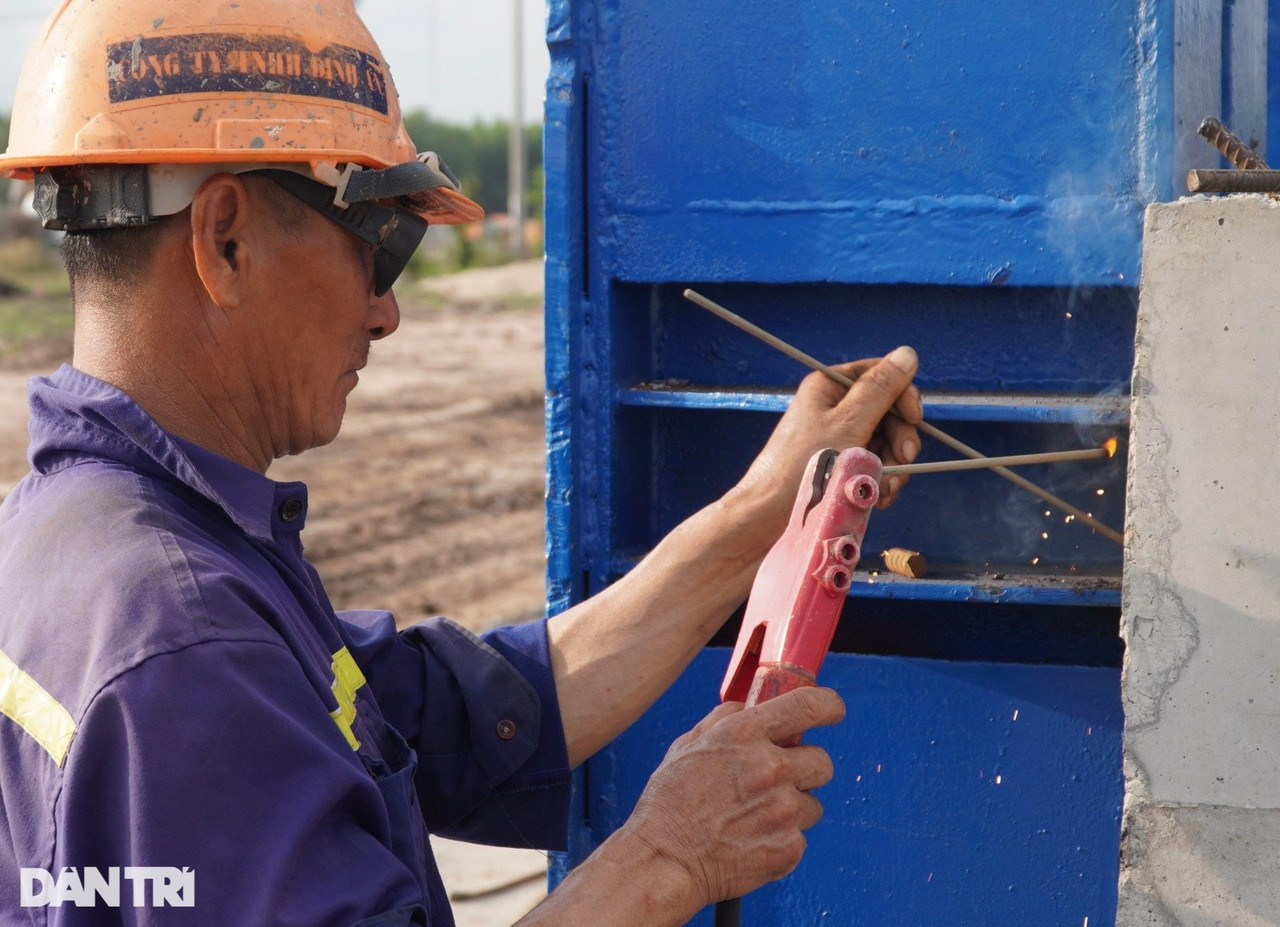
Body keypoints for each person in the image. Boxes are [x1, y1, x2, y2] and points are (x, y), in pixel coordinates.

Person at [0, 2, 923, 924]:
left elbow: (456, 716)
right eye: (380, 244)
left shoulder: (79, 542)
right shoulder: (187, 649)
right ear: (225, 238)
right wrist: (668, 854)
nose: (384, 312)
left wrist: (770, 503)